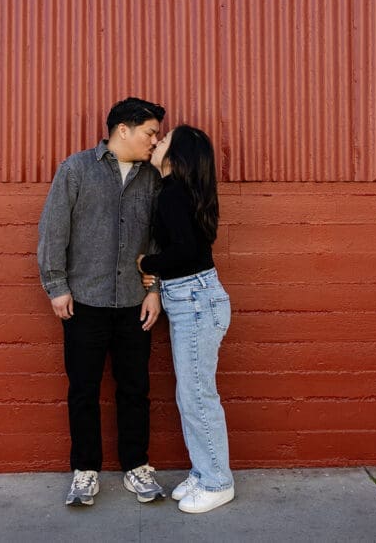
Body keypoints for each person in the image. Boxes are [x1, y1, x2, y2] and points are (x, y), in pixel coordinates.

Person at [37, 97, 168, 507]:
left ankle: (136, 467)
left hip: (134, 303)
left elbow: (159, 238)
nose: (154, 141)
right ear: (123, 130)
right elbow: (54, 229)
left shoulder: (153, 178)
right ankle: (85, 471)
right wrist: (56, 285)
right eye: (150, 133)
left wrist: (154, 290)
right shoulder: (76, 169)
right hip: (84, 301)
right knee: (83, 389)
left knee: (135, 389)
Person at [137, 125, 235, 514]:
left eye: (164, 141)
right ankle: (202, 470)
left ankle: (217, 481)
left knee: (197, 396)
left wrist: (146, 263)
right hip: (193, 298)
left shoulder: (174, 194)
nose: (156, 143)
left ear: (177, 157)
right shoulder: (179, 193)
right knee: (189, 394)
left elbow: (184, 252)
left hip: (195, 299)